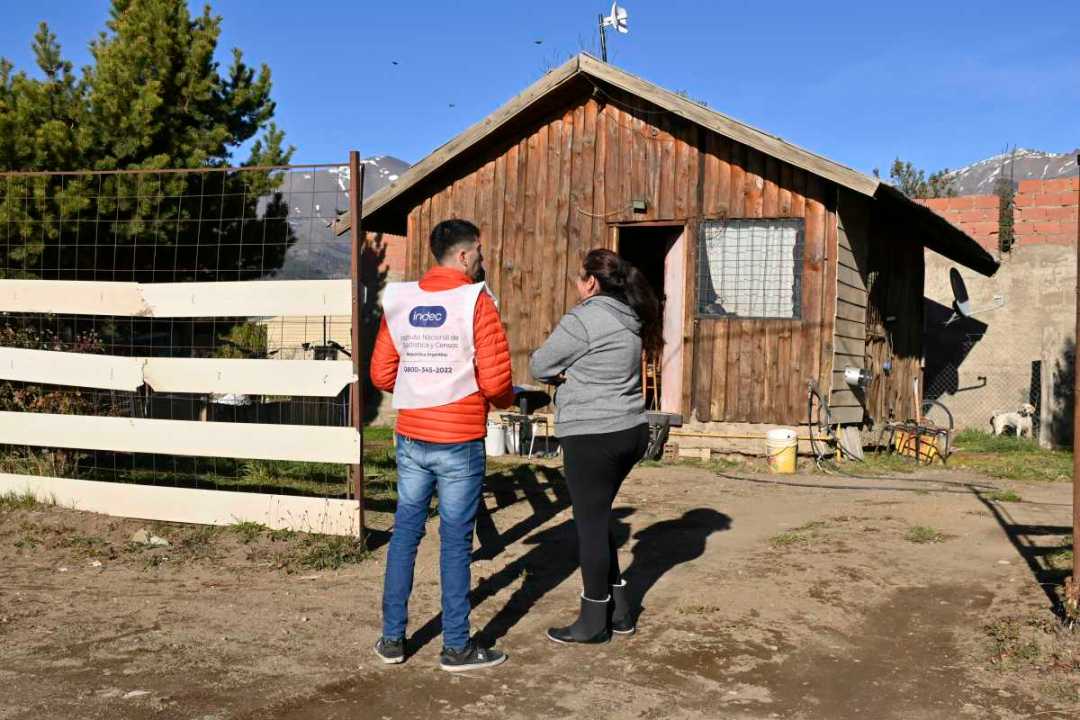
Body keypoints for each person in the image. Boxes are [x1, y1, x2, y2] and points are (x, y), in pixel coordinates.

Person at [370, 218, 515, 671]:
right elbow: (497, 381)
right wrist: (498, 400)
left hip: (412, 434)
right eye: (480, 252)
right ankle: (456, 646)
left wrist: (420, 388)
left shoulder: (403, 300)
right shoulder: (476, 301)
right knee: (455, 542)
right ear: (465, 255)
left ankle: (392, 639)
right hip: (459, 439)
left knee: (405, 534)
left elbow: (381, 373)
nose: (483, 260)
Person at [529, 248, 660, 644]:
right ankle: (619, 612)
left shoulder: (584, 319)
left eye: (578, 276)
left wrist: (564, 375)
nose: (575, 282)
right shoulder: (630, 317)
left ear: (590, 282)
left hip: (592, 433)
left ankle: (592, 621)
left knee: (588, 527)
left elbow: (540, 365)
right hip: (630, 429)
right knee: (598, 519)